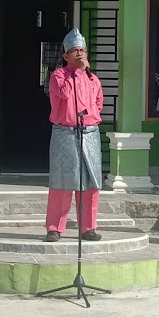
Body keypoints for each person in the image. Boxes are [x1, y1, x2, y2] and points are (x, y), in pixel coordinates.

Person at [44, 28, 104, 243]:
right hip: (65, 133)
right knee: (62, 182)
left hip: (89, 133)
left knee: (90, 183)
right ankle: (54, 228)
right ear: (65, 56)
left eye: (82, 50)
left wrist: (85, 73)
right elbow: (66, 93)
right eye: (75, 50)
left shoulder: (93, 79)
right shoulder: (58, 75)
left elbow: (98, 104)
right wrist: (78, 72)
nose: (79, 54)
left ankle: (88, 227)